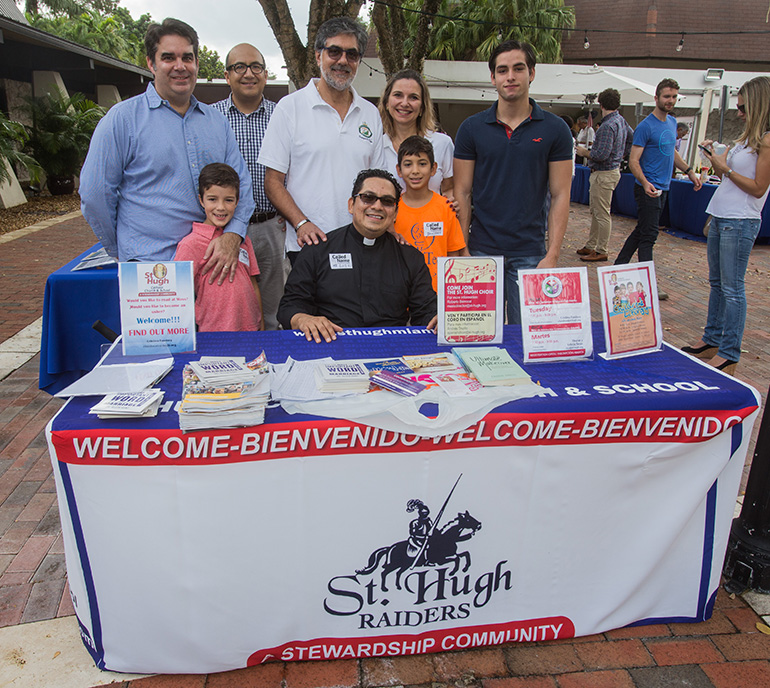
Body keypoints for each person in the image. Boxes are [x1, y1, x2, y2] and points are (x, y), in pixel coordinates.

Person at [80, 17, 253, 286]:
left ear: (196, 62)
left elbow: (242, 183)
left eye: (188, 57)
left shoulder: (216, 122)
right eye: (168, 57)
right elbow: (94, 195)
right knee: (159, 332)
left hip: (213, 264)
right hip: (151, 267)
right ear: (151, 63)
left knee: (223, 329)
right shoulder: (123, 120)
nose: (180, 66)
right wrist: (124, 249)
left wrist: (233, 235)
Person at [453, 39, 573, 324]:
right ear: (492, 77)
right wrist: (463, 249)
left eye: (518, 68)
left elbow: (560, 194)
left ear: (531, 73)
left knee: (529, 338)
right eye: (502, 70)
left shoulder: (555, 129)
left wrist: (553, 254)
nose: (510, 77)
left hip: (531, 254)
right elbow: (463, 191)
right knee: (477, 335)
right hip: (481, 252)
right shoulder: (471, 129)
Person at [258, 16, 385, 264]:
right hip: (307, 244)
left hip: (361, 244)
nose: (343, 61)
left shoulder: (370, 113)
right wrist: (301, 223)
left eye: (352, 54)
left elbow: (378, 182)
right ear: (319, 56)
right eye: (334, 52)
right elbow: (273, 181)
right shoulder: (290, 108)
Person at [277, 169, 438, 342]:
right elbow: (290, 305)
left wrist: (437, 320)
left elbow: (426, 311)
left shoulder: (410, 257)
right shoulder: (318, 250)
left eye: (387, 201)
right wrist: (302, 318)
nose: (377, 206)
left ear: (395, 213)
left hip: (391, 349)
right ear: (351, 205)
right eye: (368, 197)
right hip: (330, 344)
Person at [682, 76, 770, 375]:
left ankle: (730, 350)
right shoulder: (748, 139)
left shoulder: (767, 140)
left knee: (733, 288)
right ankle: (712, 339)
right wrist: (716, 160)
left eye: (744, 107)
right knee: (718, 284)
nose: (739, 112)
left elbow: (759, 187)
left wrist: (726, 169)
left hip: (741, 219)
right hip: (722, 214)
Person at [212, 43, 288, 330]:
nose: (248, 73)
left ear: (266, 74)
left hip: (271, 226)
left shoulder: (282, 116)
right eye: (239, 67)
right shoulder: (210, 116)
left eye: (256, 66)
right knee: (229, 306)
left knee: (274, 309)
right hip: (224, 229)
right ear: (227, 75)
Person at [615, 78, 702, 300]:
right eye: (666, 96)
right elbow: (633, 160)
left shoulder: (672, 123)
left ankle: (618, 266)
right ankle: (648, 284)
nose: (670, 100)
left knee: (643, 229)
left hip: (665, 186)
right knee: (649, 235)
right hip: (648, 188)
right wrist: (645, 183)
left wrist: (690, 171)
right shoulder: (646, 126)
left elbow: (672, 152)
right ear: (656, 98)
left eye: (673, 97)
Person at [174, 163, 262, 332]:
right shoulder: (190, 244)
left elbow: (254, 283)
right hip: (212, 332)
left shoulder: (242, 240)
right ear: (201, 200)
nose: (221, 207)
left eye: (228, 200)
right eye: (212, 199)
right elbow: (179, 295)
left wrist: (261, 326)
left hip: (250, 330)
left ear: (237, 202)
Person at [393, 136, 467, 290]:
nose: (415, 171)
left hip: (437, 295)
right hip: (402, 295)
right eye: (408, 164)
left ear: (433, 168)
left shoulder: (445, 207)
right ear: (399, 170)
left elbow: (453, 255)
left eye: (422, 164)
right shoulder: (393, 209)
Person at [575, 88, 634, 262]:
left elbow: (601, 154)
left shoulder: (608, 126)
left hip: (604, 172)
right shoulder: (621, 121)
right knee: (597, 211)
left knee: (601, 213)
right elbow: (632, 138)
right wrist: (622, 154)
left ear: (601, 104)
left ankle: (601, 249)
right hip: (610, 171)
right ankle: (592, 244)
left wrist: (584, 152)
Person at [379, 69, 454, 197]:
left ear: (422, 107)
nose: (404, 103)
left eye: (413, 97)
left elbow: (449, 189)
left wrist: (451, 205)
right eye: (398, 95)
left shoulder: (443, 143)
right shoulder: (377, 146)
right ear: (386, 103)